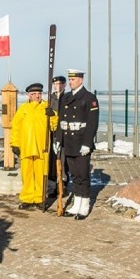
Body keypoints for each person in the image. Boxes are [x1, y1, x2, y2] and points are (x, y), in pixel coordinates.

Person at [58, 69, 99, 220]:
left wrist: (88, 143)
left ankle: (85, 205)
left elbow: (92, 123)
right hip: (68, 142)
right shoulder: (67, 97)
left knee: (83, 175)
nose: (70, 82)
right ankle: (77, 203)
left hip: (81, 142)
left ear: (81, 80)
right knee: (74, 175)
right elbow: (61, 121)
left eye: (73, 80)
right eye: (70, 80)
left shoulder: (89, 98)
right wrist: (58, 140)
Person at [11, 82, 57, 209]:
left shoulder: (47, 107)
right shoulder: (23, 109)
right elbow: (15, 127)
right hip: (26, 147)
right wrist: (14, 144)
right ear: (29, 95)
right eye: (34, 94)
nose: (37, 96)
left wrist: (52, 116)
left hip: (41, 148)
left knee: (41, 174)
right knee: (27, 174)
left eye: (39, 93)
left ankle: (40, 198)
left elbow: (53, 126)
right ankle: (27, 198)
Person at [47, 75, 67, 196]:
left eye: (60, 84)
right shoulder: (51, 98)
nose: (57, 86)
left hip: (64, 133)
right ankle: (54, 184)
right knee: (53, 158)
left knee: (63, 158)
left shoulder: (68, 98)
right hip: (52, 133)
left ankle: (63, 184)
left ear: (64, 85)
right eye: (55, 84)